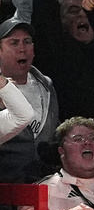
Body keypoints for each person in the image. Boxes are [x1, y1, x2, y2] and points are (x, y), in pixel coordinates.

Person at [0, 17, 60, 184]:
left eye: (27, 42)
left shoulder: (46, 85)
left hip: (42, 180)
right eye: (14, 43)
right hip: (6, 184)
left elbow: (52, 130)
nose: (22, 49)